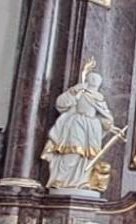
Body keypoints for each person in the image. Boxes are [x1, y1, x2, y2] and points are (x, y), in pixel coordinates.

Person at [42, 62, 117, 192]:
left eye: (96, 81)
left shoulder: (99, 98)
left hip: (92, 127)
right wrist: (73, 92)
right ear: (88, 80)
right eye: (92, 79)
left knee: (88, 156)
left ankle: (82, 181)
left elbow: (106, 115)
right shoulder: (79, 91)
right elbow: (61, 104)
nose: (94, 82)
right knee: (73, 151)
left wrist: (108, 124)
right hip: (76, 123)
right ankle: (62, 180)